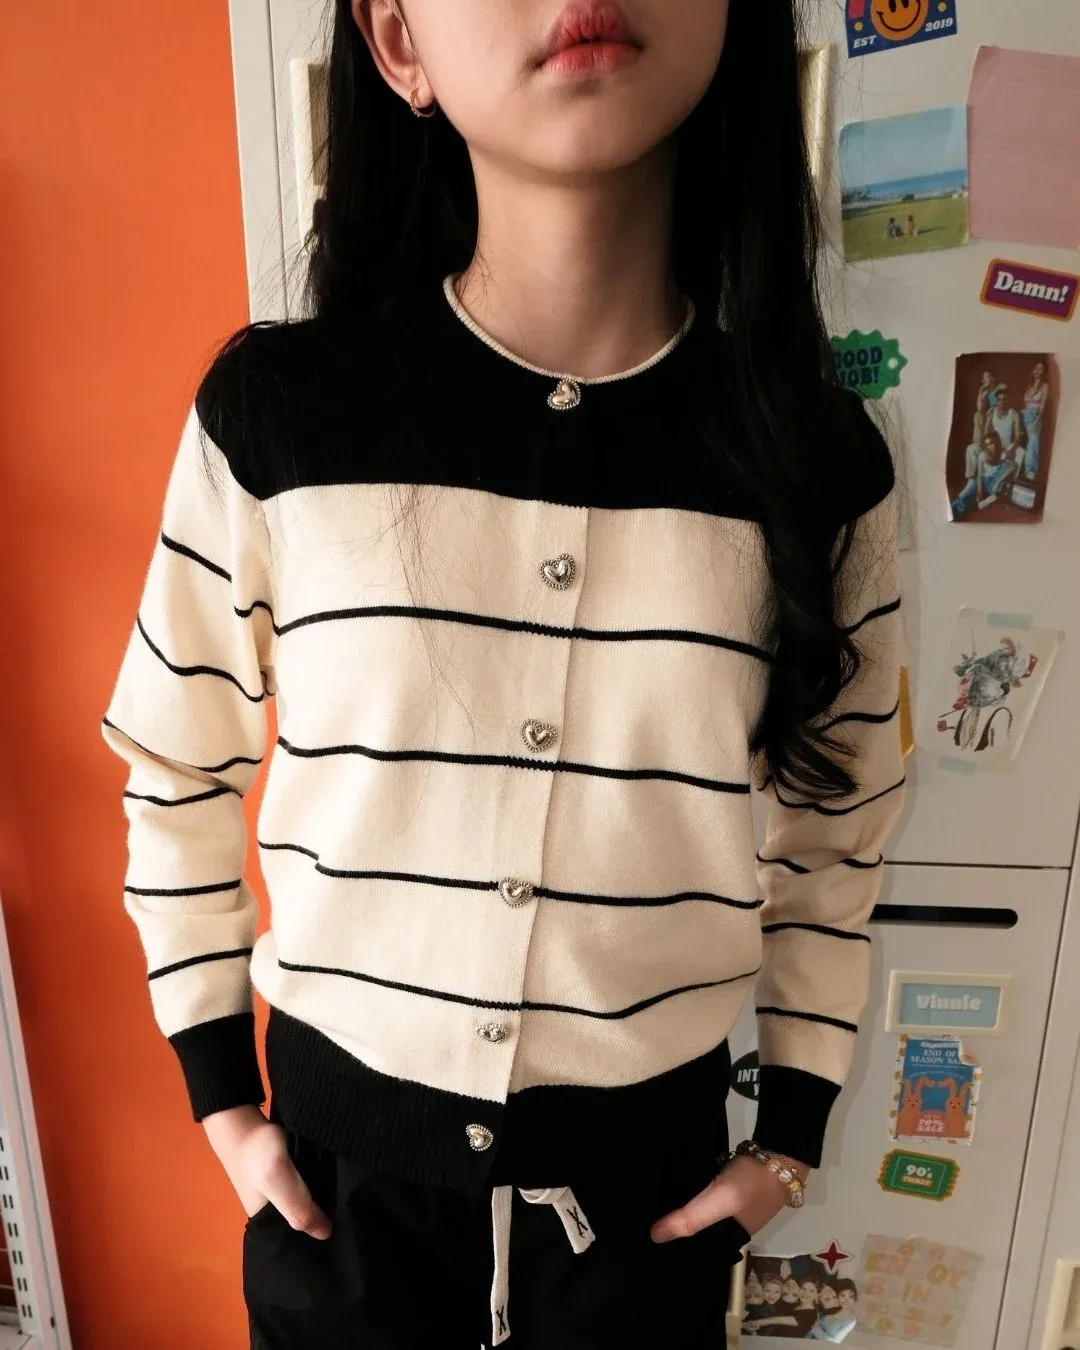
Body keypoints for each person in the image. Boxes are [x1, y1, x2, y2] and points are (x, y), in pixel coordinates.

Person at [99, 1, 906, 1346]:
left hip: (645, 1218)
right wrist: (222, 1097)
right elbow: (173, 763)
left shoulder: (819, 470)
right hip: (341, 1209)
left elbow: (842, 828)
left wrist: (789, 1139)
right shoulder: (280, 421)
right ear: (398, 43)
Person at [951, 430, 1020, 518]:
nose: (989, 447)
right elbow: (980, 475)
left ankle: (989, 499)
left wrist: (999, 480)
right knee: (966, 496)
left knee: (1001, 486)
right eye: (987, 445)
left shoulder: (1003, 454)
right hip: (984, 480)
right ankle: (957, 509)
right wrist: (979, 491)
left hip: (995, 483)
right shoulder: (982, 455)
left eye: (991, 443)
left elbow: (1014, 466)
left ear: (996, 442)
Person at [1022, 361, 1050, 481]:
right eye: (1036, 368)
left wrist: (1035, 421)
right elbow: (1025, 404)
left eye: (1041, 369)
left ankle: (1031, 470)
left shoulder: (1044, 386)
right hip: (1025, 417)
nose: (1038, 371)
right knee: (1027, 442)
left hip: (1035, 417)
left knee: (1033, 442)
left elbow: (1042, 407)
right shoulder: (1029, 387)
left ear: (1044, 372)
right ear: (1033, 371)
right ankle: (1024, 470)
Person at [989, 384, 1025, 466]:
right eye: (999, 400)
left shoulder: (1014, 414)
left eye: (1004, 399)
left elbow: (1017, 436)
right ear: (996, 401)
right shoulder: (992, 413)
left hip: (1009, 445)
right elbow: (987, 432)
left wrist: (1012, 449)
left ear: (1008, 400)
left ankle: (1011, 473)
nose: (1001, 402)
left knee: (1021, 452)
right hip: (995, 444)